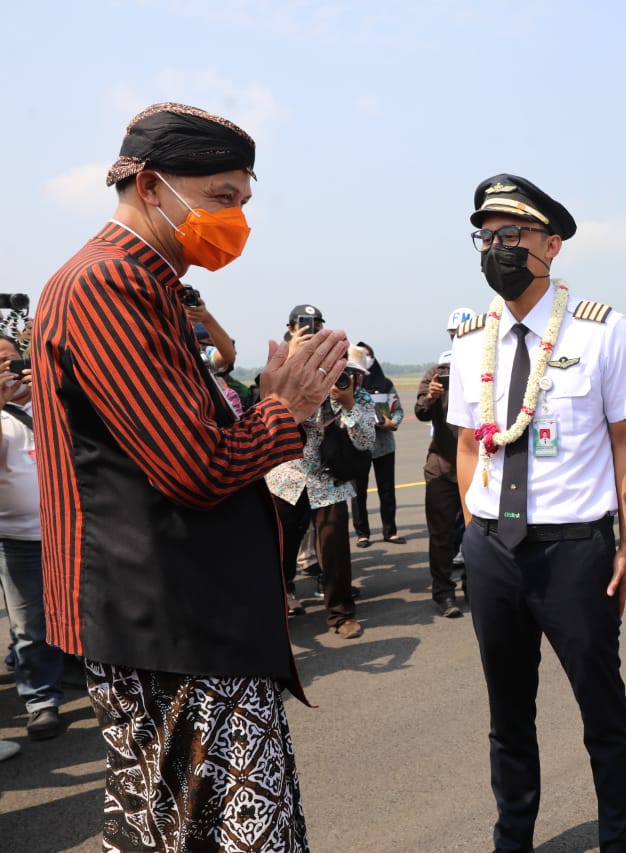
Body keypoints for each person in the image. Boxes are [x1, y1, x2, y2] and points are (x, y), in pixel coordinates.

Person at [31, 101, 349, 851]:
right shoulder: (108, 285)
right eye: (221, 200)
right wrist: (284, 410)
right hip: (170, 626)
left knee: (173, 831)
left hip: (181, 619)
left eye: (242, 202)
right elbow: (196, 468)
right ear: (150, 186)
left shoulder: (148, 285)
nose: (236, 221)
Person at [449, 174, 626, 853]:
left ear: (552, 244)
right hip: (492, 552)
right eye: (486, 236)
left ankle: (621, 842)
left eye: (512, 235)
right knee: (507, 714)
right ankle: (514, 839)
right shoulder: (468, 338)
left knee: (603, 711)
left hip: (573, 549)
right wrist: (475, 529)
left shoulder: (602, 331)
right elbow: (464, 445)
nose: (496, 248)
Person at [267, 342, 377, 637]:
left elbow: (366, 441)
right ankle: (278, 605)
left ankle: (341, 614)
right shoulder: (298, 390)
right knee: (281, 544)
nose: (338, 377)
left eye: (346, 372)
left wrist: (348, 404)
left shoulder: (359, 396)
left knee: (334, 547)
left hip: (330, 479)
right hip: (289, 476)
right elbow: (273, 424)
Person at [0, 339, 63, 740]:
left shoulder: (57, 402)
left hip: (68, 532)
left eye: (10, 359)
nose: (7, 368)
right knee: (28, 625)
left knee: (75, 612)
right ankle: (41, 700)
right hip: (16, 539)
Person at [415, 308, 475, 618]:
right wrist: (432, 398)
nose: (460, 340)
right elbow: (421, 412)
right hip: (441, 468)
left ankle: (474, 588)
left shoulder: (486, 370)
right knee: (440, 537)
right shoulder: (437, 373)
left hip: (477, 471)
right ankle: (444, 594)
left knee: (476, 536)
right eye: (455, 336)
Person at [350, 342, 406, 547]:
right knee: (358, 493)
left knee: (387, 490)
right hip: (358, 447)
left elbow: (398, 409)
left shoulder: (386, 383)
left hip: (384, 446)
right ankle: (362, 533)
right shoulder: (350, 386)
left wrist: (394, 422)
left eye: (366, 355)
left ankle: (390, 531)